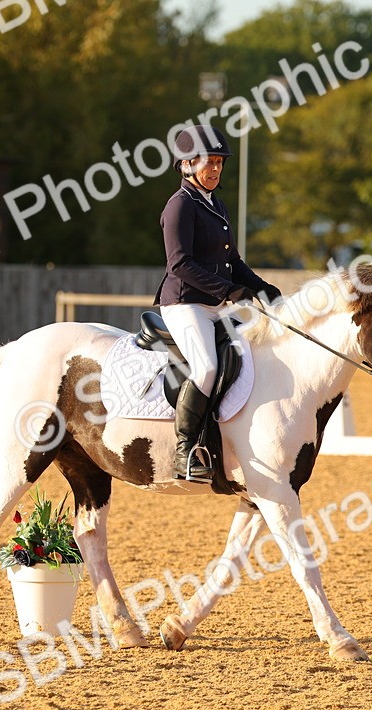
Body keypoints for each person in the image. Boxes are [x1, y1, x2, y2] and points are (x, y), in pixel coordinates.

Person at [155, 125, 283, 483]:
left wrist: (261, 288)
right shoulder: (180, 205)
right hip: (185, 304)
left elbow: (234, 263)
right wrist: (229, 291)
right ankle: (185, 450)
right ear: (185, 165)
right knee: (208, 367)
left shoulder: (217, 205)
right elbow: (179, 264)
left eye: (218, 162)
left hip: (215, 303)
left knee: (251, 354)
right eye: (207, 162)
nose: (214, 169)